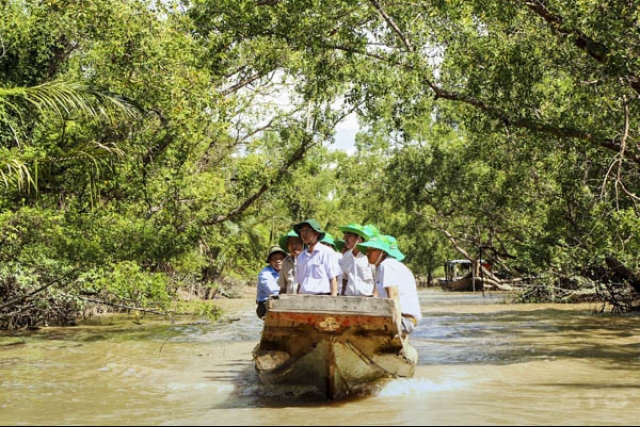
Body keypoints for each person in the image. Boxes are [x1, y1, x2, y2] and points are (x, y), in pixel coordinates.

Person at [357, 235, 421, 335]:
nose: (368, 253)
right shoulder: (384, 266)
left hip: (404, 320)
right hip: (405, 320)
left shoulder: (387, 265)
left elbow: (394, 295)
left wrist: (397, 326)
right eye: (367, 250)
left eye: (372, 250)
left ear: (383, 253)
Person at [294, 219, 342, 296]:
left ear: (316, 233)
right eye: (302, 231)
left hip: (322, 297)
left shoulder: (327, 252)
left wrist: (333, 300)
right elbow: (300, 283)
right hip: (303, 298)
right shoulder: (301, 256)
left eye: (307, 231)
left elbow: (333, 279)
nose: (304, 234)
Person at [338, 223, 378, 296]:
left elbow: (377, 279)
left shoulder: (369, 256)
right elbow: (345, 277)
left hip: (367, 298)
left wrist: (375, 297)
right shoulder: (346, 256)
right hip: (349, 298)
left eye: (349, 235)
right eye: (345, 235)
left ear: (359, 238)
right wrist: (342, 295)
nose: (345, 239)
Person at [256, 245, 286, 319]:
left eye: (281, 258)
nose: (278, 261)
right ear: (270, 261)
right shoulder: (264, 273)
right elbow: (273, 290)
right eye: (274, 259)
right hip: (265, 306)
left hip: (284, 301)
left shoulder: (288, 271)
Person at [277, 230, 303, 294]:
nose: (294, 246)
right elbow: (283, 287)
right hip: (289, 300)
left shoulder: (309, 260)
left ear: (303, 244)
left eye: (297, 242)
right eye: (291, 243)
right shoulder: (285, 262)